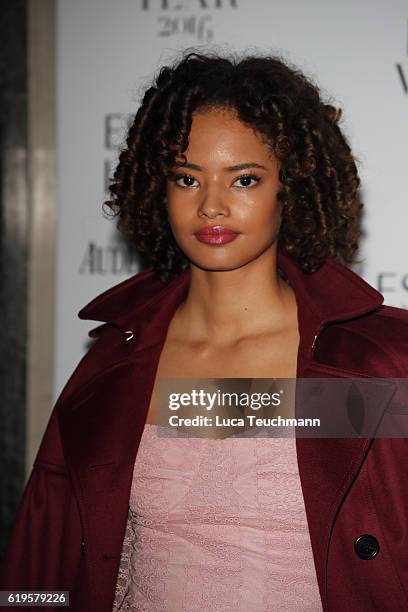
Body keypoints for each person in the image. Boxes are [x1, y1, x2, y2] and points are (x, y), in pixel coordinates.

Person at [2, 50, 408, 612]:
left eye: (244, 178)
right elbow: (38, 575)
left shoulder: (376, 363)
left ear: (290, 188)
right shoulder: (114, 364)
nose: (212, 205)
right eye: (186, 178)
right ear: (158, 189)